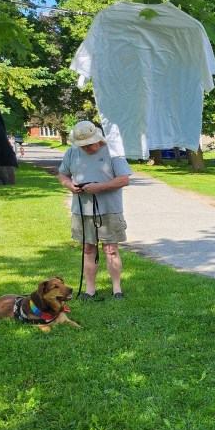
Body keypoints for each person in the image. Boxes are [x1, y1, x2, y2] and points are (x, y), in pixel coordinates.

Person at [57, 121, 133, 300]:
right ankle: (90, 290)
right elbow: (62, 174)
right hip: (82, 211)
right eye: (83, 145)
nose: (88, 148)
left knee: (111, 249)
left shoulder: (113, 151)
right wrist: (69, 184)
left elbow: (124, 179)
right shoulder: (72, 152)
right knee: (88, 249)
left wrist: (99, 187)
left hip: (109, 210)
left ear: (97, 138)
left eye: (90, 144)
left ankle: (117, 289)